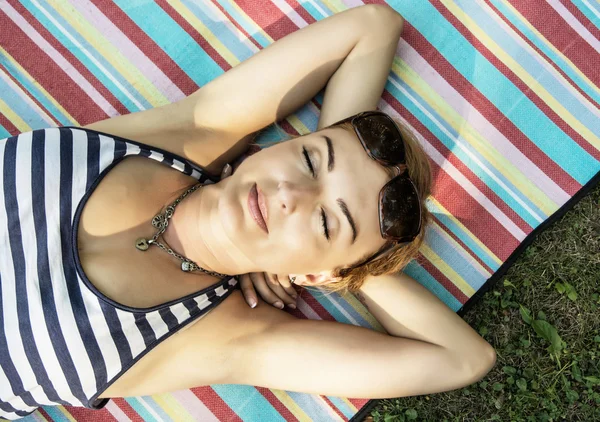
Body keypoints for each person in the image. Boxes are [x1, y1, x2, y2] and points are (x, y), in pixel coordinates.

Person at [0, 4, 495, 419]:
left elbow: (462, 359)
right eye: (308, 159)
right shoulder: (190, 135)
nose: (289, 195)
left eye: (325, 221)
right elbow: (373, 26)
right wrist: (326, 218)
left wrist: (340, 274)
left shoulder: (231, 337)